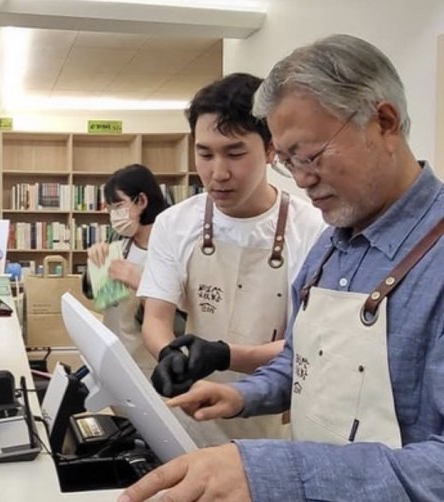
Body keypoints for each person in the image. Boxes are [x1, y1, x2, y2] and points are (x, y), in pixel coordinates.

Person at [121, 34, 444, 502]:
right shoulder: (332, 246)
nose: (302, 179)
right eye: (289, 161)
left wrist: (274, 472)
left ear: (384, 122)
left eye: (310, 156)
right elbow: (303, 362)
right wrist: (242, 396)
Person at [137, 72, 326, 440]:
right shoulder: (175, 223)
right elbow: (155, 318)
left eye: (235, 153)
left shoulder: (314, 229)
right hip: (192, 412)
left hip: (274, 419)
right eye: (204, 154)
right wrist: (169, 356)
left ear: (272, 150)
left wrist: (224, 355)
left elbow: (304, 345)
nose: (217, 173)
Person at [83, 163, 170, 375]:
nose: (113, 214)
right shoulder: (120, 245)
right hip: (116, 356)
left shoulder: (171, 249)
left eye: (118, 205)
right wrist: (95, 266)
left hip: (150, 364)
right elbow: (97, 295)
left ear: (141, 201)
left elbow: (183, 318)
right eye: (110, 208)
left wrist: (141, 283)